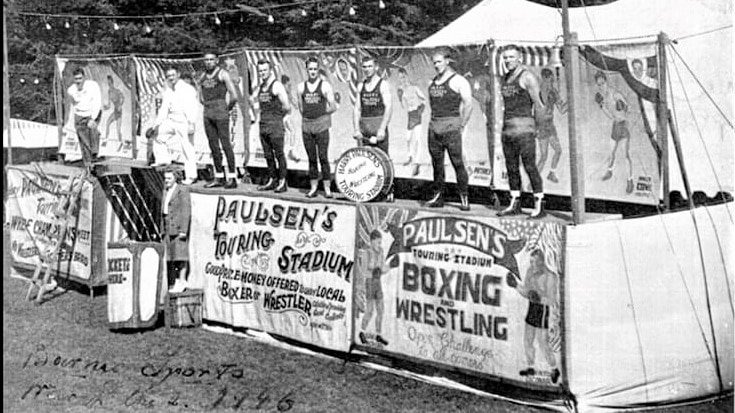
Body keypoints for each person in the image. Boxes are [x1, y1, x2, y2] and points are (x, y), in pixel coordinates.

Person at [497, 45, 547, 219]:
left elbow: (539, 106)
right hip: (508, 130)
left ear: (519, 58)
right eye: (505, 57)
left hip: (525, 130)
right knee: (511, 167)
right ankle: (515, 203)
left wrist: (539, 128)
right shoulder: (504, 78)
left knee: (529, 166)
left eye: (511, 57)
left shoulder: (527, 77)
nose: (508, 60)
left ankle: (539, 204)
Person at [424, 49, 473, 211]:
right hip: (434, 127)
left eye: (439, 62)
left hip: (451, 127)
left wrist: (462, 124)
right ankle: (438, 196)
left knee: (458, 163)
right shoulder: (431, 82)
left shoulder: (459, 80)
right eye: (434, 63)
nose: (436, 65)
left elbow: (468, 104)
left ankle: (464, 196)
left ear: (447, 61)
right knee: (437, 165)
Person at [516, 249, 560, 384]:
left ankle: (554, 368)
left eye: (535, 262)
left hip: (543, 310)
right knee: (527, 340)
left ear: (542, 261)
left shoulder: (550, 276)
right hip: (532, 308)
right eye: (531, 261)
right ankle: (530, 367)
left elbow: (552, 300)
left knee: (543, 343)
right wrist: (515, 286)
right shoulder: (530, 272)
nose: (532, 264)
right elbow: (526, 292)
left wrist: (539, 297)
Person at [353, 56, 394, 201]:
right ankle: (371, 191)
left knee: (383, 160)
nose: (367, 69)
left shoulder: (383, 85)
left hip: (378, 126)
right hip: (365, 128)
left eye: (369, 66)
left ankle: (389, 190)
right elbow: (357, 109)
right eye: (364, 67)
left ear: (376, 67)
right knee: (366, 162)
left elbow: (389, 107)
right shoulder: (360, 86)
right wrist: (356, 129)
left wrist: (382, 129)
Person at [297, 57, 338, 198]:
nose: (313, 72)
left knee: (323, 157)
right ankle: (313, 187)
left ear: (318, 70)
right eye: (310, 69)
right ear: (307, 70)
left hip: (321, 126)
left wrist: (322, 115)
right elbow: (301, 108)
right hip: (307, 126)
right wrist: (310, 116)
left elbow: (333, 106)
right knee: (312, 158)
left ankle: (327, 188)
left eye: (315, 69)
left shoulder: (325, 86)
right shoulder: (301, 87)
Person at [199, 52, 239, 189]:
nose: (209, 62)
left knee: (226, 144)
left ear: (216, 61)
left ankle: (233, 177)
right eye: (206, 60)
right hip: (208, 113)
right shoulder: (202, 76)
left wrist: (226, 108)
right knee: (213, 146)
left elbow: (234, 95)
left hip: (221, 112)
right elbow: (201, 97)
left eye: (211, 59)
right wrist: (208, 107)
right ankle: (219, 176)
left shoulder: (223, 74)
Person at [152, 66, 199, 185]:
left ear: (178, 74)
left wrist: (191, 123)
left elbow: (193, 107)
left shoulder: (187, 89)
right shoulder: (168, 90)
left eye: (173, 75)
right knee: (158, 134)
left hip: (184, 121)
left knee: (187, 148)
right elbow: (164, 109)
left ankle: (191, 176)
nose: (171, 78)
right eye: (168, 76)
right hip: (171, 120)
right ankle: (163, 160)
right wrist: (156, 124)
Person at [253, 59, 292, 193]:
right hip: (263, 125)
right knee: (268, 155)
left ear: (270, 71)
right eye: (260, 71)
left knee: (279, 154)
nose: (262, 73)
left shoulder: (277, 86)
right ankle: (272, 179)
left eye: (264, 70)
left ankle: (282, 182)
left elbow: (287, 106)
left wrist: (277, 117)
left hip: (275, 125)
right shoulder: (260, 87)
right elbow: (256, 103)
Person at [594, 71, 634, 194]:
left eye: (602, 83)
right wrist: (601, 106)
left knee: (625, 155)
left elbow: (628, 109)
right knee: (611, 152)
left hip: (623, 126)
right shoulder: (602, 97)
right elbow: (610, 116)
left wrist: (623, 106)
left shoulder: (615, 94)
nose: (601, 86)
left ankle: (630, 180)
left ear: (606, 82)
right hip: (615, 125)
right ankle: (610, 171)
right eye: (599, 84)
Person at [162, 167, 191, 293]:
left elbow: (186, 210)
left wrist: (183, 229)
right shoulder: (165, 190)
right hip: (167, 225)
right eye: (165, 178)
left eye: (169, 178)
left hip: (178, 226)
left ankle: (182, 280)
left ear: (175, 178)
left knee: (181, 255)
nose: (166, 180)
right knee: (170, 256)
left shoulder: (182, 190)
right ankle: (174, 282)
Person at [358, 229, 390, 346]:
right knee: (370, 310)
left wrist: (388, 267)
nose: (379, 245)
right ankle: (362, 332)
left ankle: (378, 334)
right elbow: (364, 270)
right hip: (370, 282)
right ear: (371, 242)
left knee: (381, 309)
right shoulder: (367, 252)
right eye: (377, 242)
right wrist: (374, 270)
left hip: (378, 282)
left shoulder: (381, 252)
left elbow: (382, 268)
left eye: (380, 242)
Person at [66, 67, 102, 170]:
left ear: (84, 78)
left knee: (94, 132)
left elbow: (97, 102)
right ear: (73, 79)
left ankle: (94, 155)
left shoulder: (92, 86)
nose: (78, 81)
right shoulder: (71, 90)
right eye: (76, 79)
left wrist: (93, 118)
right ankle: (88, 164)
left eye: (80, 78)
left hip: (91, 114)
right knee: (84, 142)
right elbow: (74, 103)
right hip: (79, 116)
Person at [396, 67, 426, 177]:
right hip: (410, 115)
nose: (402, 80)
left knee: (418, 139)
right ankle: (410, 157)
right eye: (400, 78)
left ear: (406, 76)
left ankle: (417, 163)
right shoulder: (401, 90)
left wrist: (421, 108)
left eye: (403, 77)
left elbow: (423, 99)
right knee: (408, 138)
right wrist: (400, 97)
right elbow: (403, 106)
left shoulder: (414, 87)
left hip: (416, 114)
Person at [536, 68, 563, 184]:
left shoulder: (553, 92)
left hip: (550, 125)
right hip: (541, 126)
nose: (550, 84)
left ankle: (552, 173)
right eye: (549, 81)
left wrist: (571, 102)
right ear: (543, 79)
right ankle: (534, 182)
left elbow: (562, 109)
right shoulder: (537, 91)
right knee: (543, 156)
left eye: (552, 81)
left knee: (558, 150)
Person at [281, 75, 302, 164]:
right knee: (288, 133)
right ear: (284, 85)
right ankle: (286, 153)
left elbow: (296, 105)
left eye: (290, 86)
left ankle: (290, 152)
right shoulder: (280, 93)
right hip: (282, 117)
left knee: (291, 132)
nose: (290, 87)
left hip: (286, 116)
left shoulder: (288, 94)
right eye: (288, 85)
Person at [103, 75, 124, 143]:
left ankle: (121, 142)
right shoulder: (109, 92)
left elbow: (122, 97)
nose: (110, 85)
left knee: (118, 129)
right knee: (108, 122)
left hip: (119, 111)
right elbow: (109, 105)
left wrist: (120, 105)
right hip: (115, 111)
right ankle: (106, 138)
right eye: (108, 84)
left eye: (110, 84)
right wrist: (106, 107)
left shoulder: (117, 91)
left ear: (112, 83)